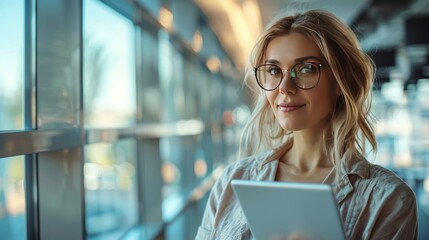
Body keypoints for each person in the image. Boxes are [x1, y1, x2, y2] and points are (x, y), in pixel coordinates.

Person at [195, 9, 418, 240]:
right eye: (273, 70)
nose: (284, 87)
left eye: (306, 69)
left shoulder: (388, 201)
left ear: (341, 81)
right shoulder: (232, 181)